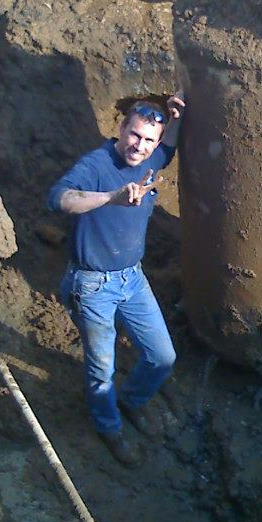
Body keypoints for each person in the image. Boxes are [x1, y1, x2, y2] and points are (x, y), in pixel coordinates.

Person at [47, 93, 185, 467]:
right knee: (101, 369)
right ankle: (109, 427)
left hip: (132, 280)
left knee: (162, 356)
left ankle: (132, 401)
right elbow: (60, 199)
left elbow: (169, 146)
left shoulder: (153, 157)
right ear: (121, 128)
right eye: (134, 135)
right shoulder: (96, 164)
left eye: (147, 140)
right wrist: (111, 198)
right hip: (91, 285)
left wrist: (178, 114)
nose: (138, 146)